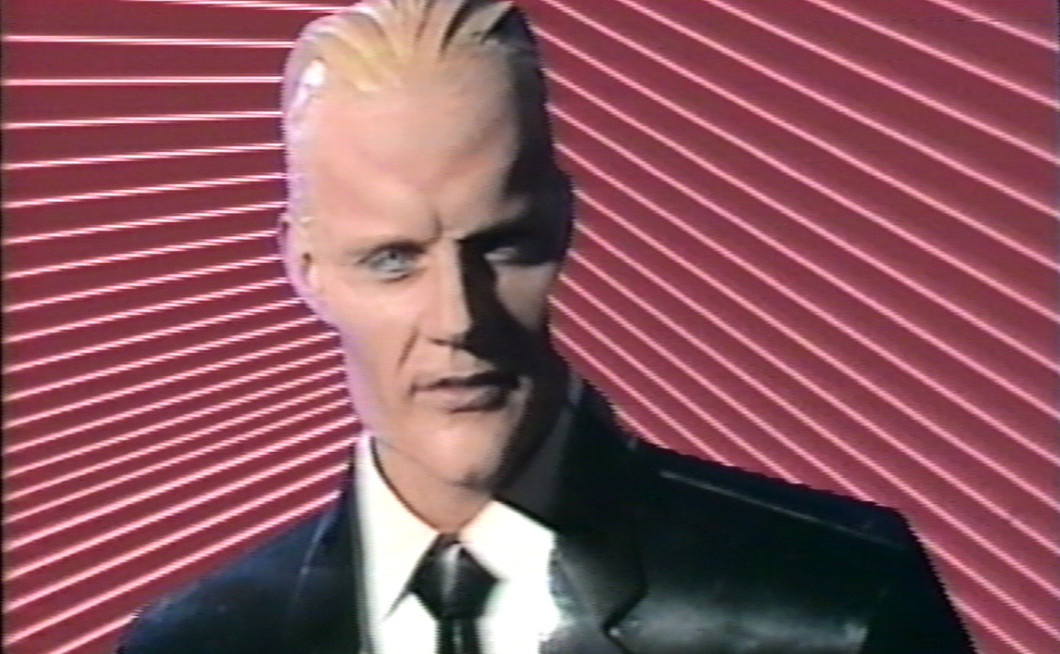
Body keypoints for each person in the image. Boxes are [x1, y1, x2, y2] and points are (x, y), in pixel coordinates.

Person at [117, 1, 975, 652]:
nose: (458, 318)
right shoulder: (196, 643)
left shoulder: (835, 605)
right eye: (393, 260)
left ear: (563, 224)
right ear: (305, 267)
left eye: (501, 245)